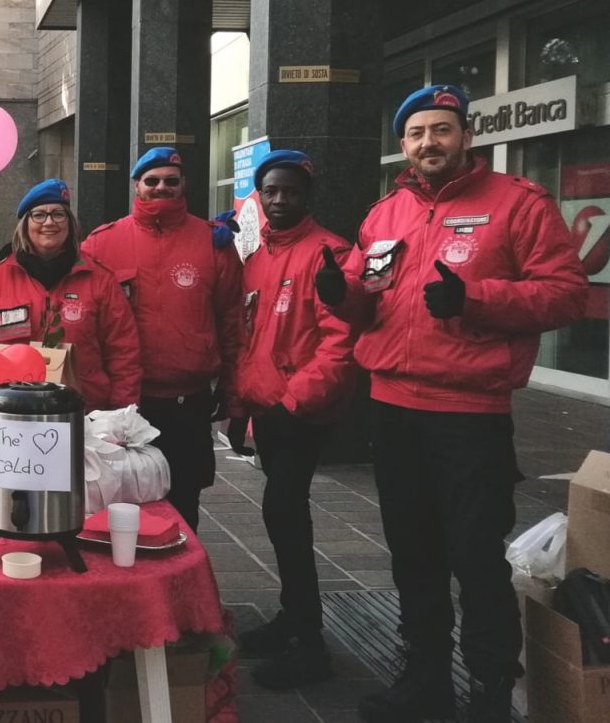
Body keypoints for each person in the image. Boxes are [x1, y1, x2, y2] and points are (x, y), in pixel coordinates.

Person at [314, 85, 587, 723]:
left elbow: (567, 294)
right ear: (402, 145)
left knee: (473, 555)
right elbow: (368, 294)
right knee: (412, 551)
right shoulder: (386, 213)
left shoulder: (518, 203)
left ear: (466, 136)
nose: (428, 142)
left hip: (470, 415)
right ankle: (425, 679)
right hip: (392, 408)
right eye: (415, 133)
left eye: (441, 129)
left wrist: (476, 300)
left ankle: (490, 691)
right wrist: (339, 294)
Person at [230, 150, 359, 690]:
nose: (280, 200)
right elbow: (247, 338)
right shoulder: (255, 257)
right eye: (271, 192)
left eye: (291, 192)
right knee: (282, 519)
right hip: (267, 410)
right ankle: (293, 618)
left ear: (307, 196)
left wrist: (291, 405)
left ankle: (310, 644)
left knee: (285, 511)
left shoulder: (331, 253)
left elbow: (340, 344)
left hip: (301, 414)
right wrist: (239, 409)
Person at [82, 147, 243, 533]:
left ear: (184, 184)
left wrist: (233, 391)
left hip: (188, 402)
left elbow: (233, 322)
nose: (161, 188)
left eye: (171, 181)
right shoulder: (102, 243)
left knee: (185, 497)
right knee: (118, 499)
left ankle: (181, 583)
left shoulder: (212, 243)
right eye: (151, 181)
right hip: (122, 404)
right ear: (137, 185)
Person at [0, 179, 141, 412]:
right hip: (11, 415)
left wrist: (121, 412)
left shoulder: (99, 280)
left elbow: (123, 351)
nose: (49, 222)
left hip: (86, 414)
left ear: (70, 224)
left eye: (58, 214)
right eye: (39, 215)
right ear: (25, 224)